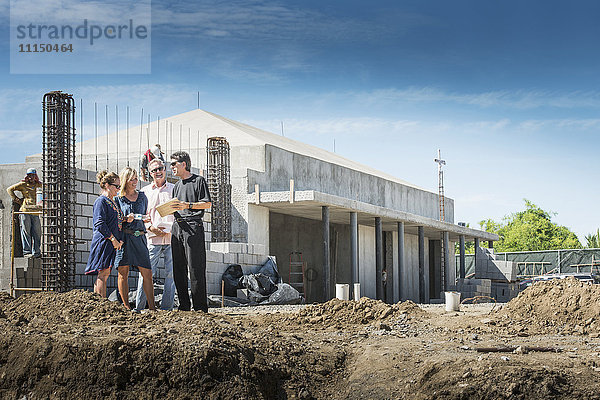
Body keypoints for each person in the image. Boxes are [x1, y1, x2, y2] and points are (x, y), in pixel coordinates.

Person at [169, 151, 212, 312]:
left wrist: (187, 205)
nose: (171, 167)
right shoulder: (177, 186)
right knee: (178, 269)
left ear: (184, 164)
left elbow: (207, 204)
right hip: (177, 227)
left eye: (174, 164)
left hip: (193, 226)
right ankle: (184, 306)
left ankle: (200, 307)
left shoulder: (198, 181)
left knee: (195, 268)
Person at [135, 158, 176, 311]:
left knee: (172, 275)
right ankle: (138, 308)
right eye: (154, 170)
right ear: (150, 173)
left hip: (171, 239)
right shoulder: (144, 192)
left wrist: (170, 229)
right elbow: (142, 215)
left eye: (160, 168)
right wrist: (151, 227)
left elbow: (179, 212)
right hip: (152, 240)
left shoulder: (174, 189)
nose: (158, 172)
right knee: (145, 274)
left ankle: (166, 309)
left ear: (164, 169)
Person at [114, 167, 155, 311]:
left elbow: (144, 215)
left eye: (136, 178)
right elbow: (115, 221)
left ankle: (152, 308)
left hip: (140, 237)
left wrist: (146, 219)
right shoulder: (117, 199)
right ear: (125, 180)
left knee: (147, 273)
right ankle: (126, 307)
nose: (135, 181)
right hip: (125, 238)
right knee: (123, 273)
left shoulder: (142, 196)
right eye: (132, 179)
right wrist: (125, 219)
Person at [84, 171, 124, 297]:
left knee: (105, 272)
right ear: (107, 185)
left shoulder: (113, 202)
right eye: (116, 186)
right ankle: (100, 302)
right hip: (104, 241)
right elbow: (99, 223)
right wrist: (113, 239)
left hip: (111, 241)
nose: (118, 189)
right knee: (103, 273)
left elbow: (115, 220)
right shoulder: (101, 201)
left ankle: (99, 302)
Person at [7, 168, 43, 257]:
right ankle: (27, 252)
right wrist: (17, 200)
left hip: (35, 212)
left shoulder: (39, 185)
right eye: (30, 175)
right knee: (26, 232)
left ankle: (37, 252)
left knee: (37, 233)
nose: (31, 177)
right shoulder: (23, 184)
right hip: (25, 211)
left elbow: (46, 191)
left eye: (33, 175)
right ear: (27, 176)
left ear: (35, 176)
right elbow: (9, 189)